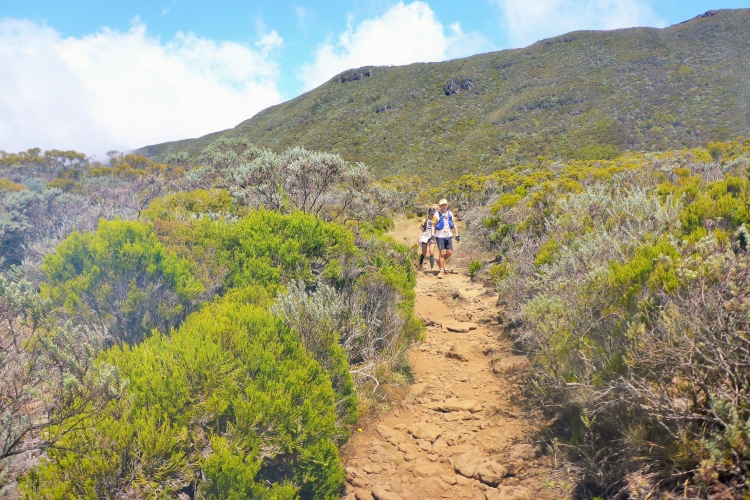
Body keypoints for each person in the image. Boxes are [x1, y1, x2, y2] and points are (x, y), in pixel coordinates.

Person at [434, 198, 459, 278]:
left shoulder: (450, 214)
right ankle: (441, 271)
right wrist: (432, 234)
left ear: (447, 205)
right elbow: (433, 225)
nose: (443, 206)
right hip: (439, 236)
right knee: (441, 253)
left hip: (448, 235)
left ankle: (439, 262)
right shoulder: (436, 215)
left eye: (445, 205)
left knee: (449, 252)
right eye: (442, 205)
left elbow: (454, 224)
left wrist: (457, 234)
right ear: (440, 206)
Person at [418, 206, 438, 271]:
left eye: (433, 214)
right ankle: (420, 264)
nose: (432, 215)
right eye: (431, 214)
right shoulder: (425, 220)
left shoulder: (436, 220)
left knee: (431, 252)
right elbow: (421, 229)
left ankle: (432, 267)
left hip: (432, 236)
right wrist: (419, 238)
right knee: (424, 252)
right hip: (425, 236)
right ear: (429, 214)